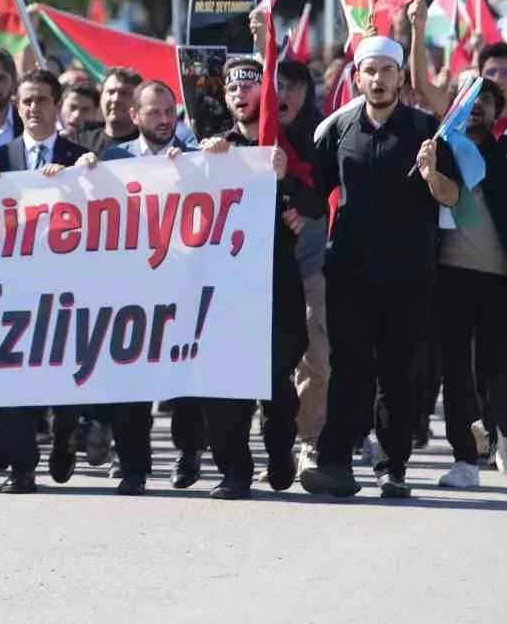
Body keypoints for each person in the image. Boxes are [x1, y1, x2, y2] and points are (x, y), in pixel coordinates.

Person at [303, 34, 460, 500]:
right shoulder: (339, 130)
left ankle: (393, 466)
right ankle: (335, 462)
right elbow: (317, 192)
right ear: (357, 78)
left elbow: (453, 197)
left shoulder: (425, 130)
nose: (377, 79)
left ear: (399, 77)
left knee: (397, 370)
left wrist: (432, 174)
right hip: (349, 269)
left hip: (409, 273)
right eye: (369, 71)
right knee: (350, 367)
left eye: (386, 71)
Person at [195, 51, 318, 499]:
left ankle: (279, 445)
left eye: (249, 85)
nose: (240, 94)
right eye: (231, 88)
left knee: (274, 379)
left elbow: (318, 196)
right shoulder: (214, 146)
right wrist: (199, 162)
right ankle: (234, 471)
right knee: (226, 380)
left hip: (276, 283)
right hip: (225, 288)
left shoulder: (294, 143)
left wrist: (289, 188)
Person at [0, 69, 89, 493]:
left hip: (66, 289)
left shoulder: (80, 158)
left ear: (57, 105)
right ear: (16, 107)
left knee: (62, 381)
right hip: (16, 291)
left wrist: (83, 179)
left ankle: (64, 436)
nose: (34, 108)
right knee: (17, 378)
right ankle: (22, 469)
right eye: (26, 101)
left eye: (42, 100)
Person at [428, 76, 507, 489]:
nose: (476, 106)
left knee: (500, 369)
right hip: (449, 278)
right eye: (468, 98)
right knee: (456, 371)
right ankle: (464, 459)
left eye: (486, 100)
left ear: (499, 110)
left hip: (503, 281)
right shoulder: (439, 152)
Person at [83, 79, 197, 495]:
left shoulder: (194, 158)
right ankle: (134, 467)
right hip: (130, 289)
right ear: (134, 116)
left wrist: (200, 165)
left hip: (181, 285)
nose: (165, 120)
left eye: (171, 113)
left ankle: (189, 451)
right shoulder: (113, 159)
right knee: (130, 383)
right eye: (155, 113)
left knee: (183, 380)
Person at [274, 58, 330, 472]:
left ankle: (311, 443)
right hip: (261, 273)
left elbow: (331, 185)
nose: (284, 95)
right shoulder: (248, 138)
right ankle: (277, 444)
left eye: (293, 86)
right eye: (276, 86)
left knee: (314, 357)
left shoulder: (321, 136)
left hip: (309, 266)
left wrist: (306, 203)